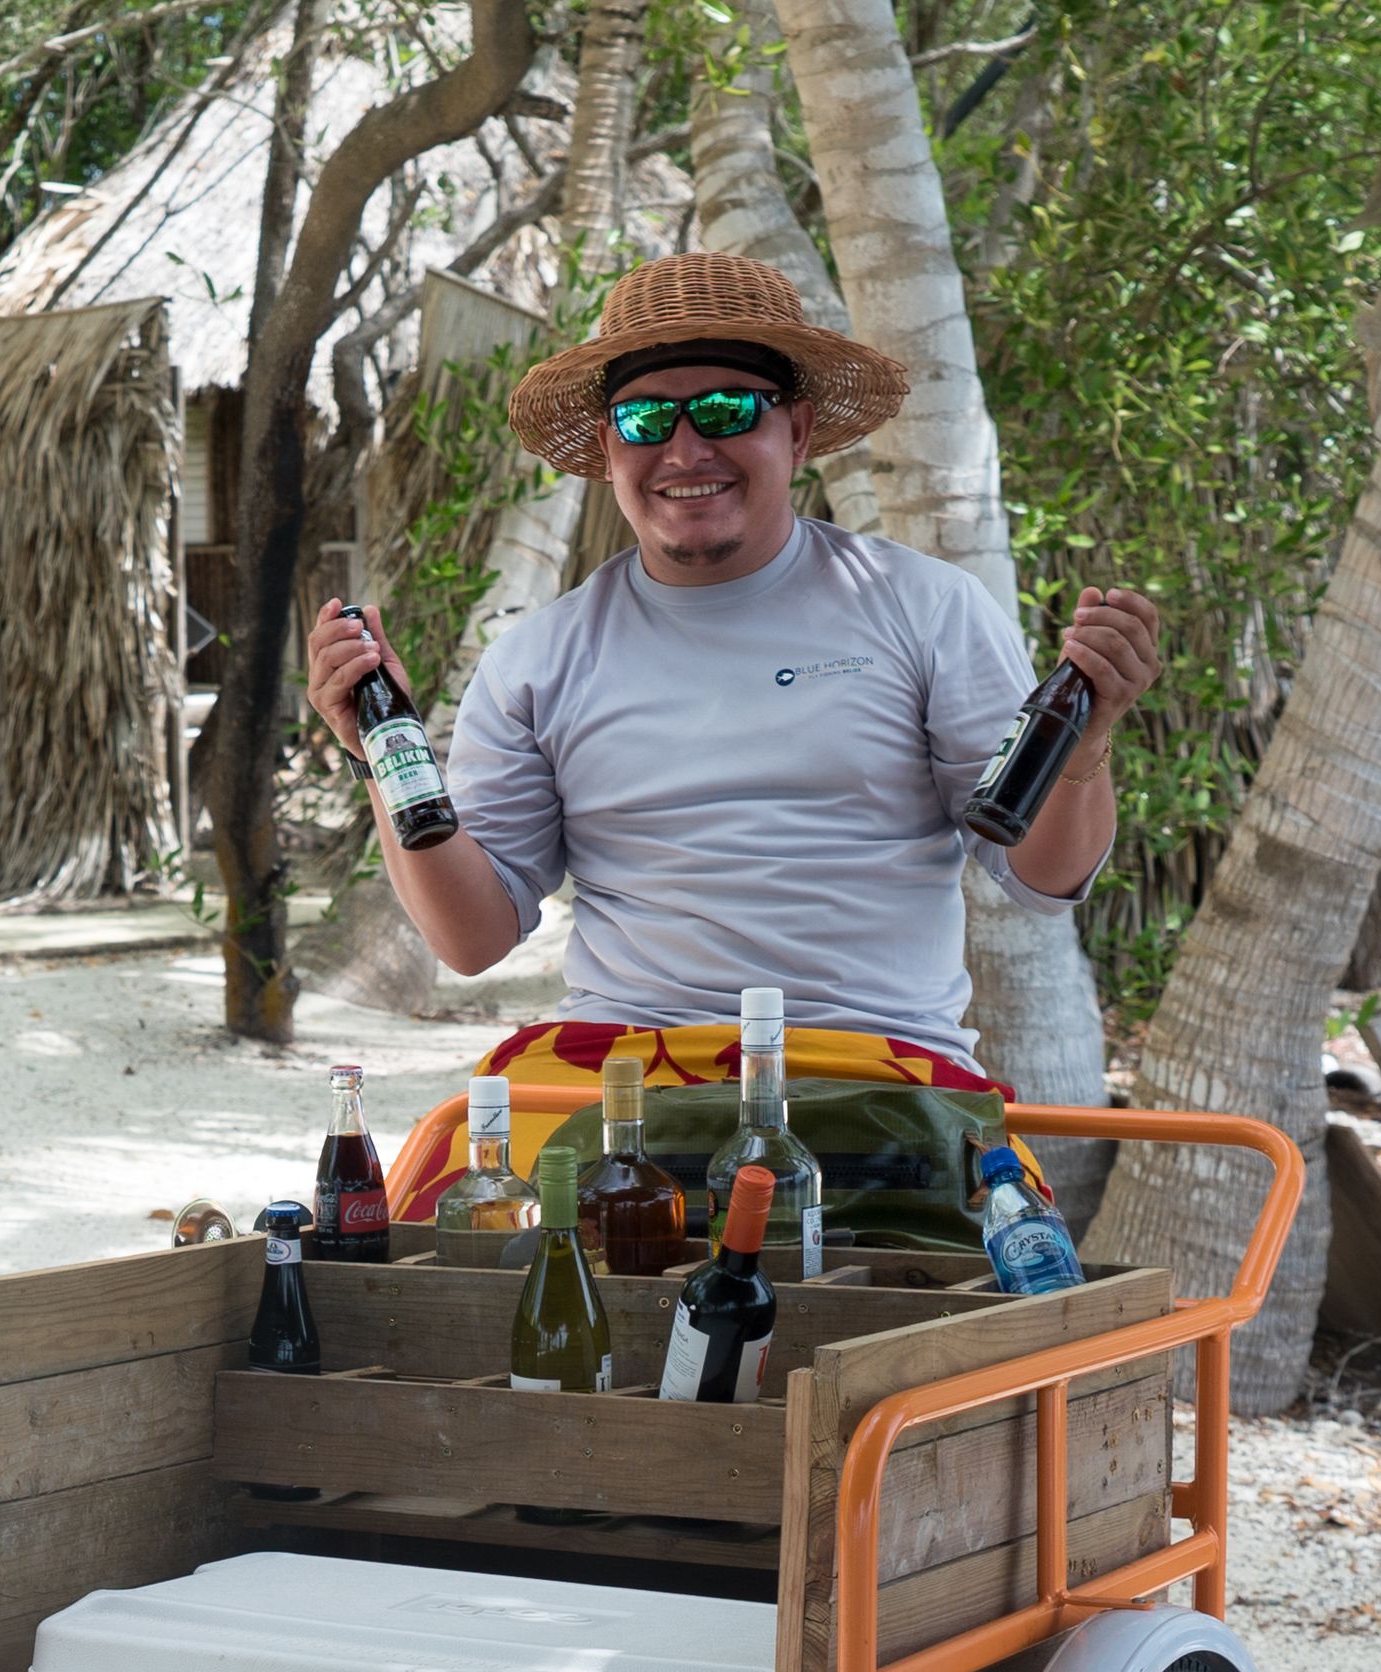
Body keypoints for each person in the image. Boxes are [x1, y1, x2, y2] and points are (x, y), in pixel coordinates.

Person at [302, 251, 1162, 1074]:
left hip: (877, 1073)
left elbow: (1042, 880)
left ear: (798, 430)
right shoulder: (536, 660)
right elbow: (472, 940)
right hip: (630, 1082)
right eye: (645, 419)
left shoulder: (926, 609)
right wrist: (385, 748)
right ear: (608, 449)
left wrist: (1083, 751)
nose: (683, 451)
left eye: (726, 410)